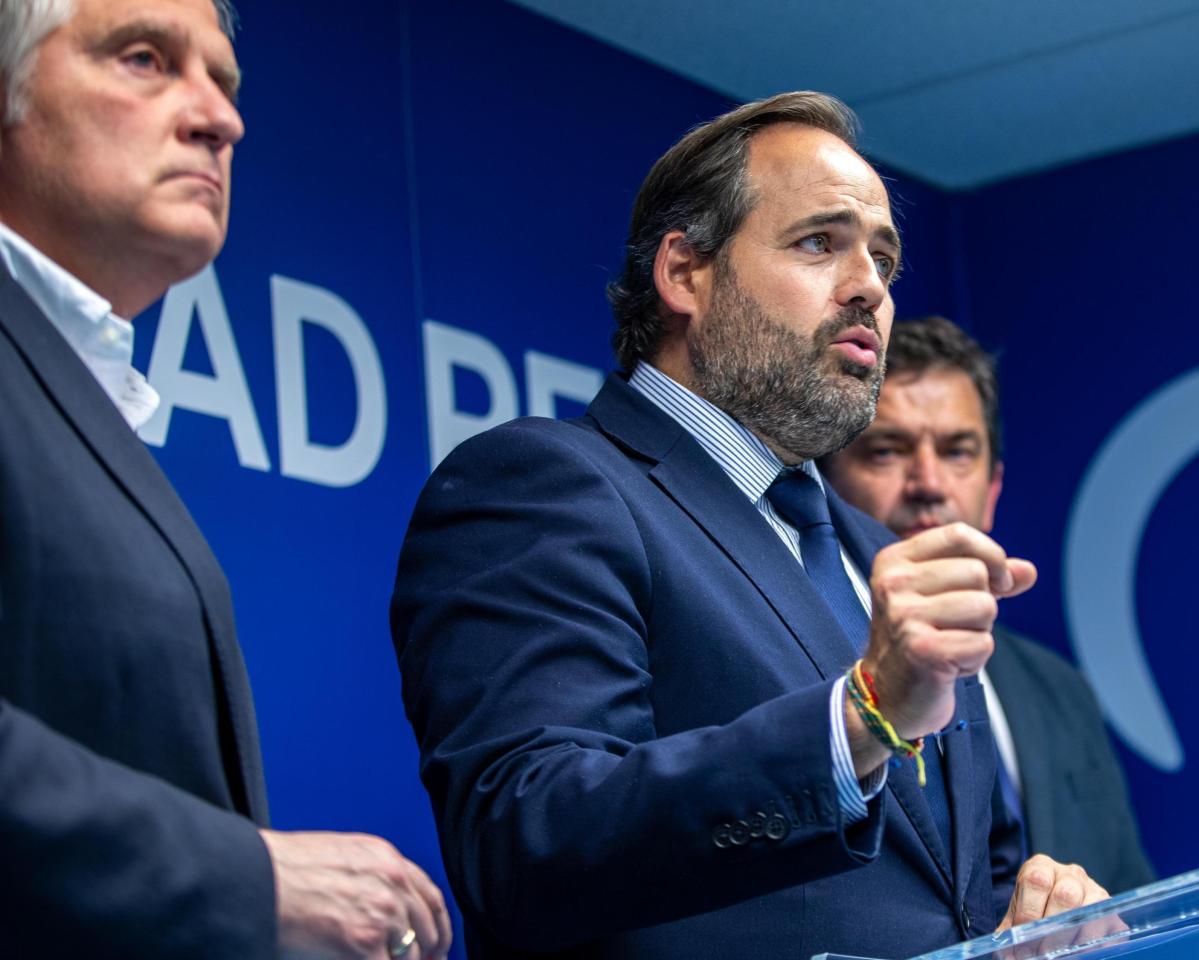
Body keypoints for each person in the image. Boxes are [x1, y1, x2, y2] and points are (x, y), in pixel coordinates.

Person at [391, 91, 1109, 959]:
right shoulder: (545, 485)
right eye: (820, 244)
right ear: (684, 273)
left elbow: (958, 894)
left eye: (883, 258)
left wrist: (1033, 921)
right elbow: (526, 837)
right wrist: (861, 717)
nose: (870, 289)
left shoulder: (880, 560)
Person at [0, 1, 450, 957]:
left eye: (224, 81)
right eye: (144, 59)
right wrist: (247, 878)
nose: (221, 118)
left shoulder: (82, 391)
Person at [821, 316, 1156, 893]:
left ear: (992, 489)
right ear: (825, 482)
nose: (928, 482)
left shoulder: (1058, 690)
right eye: (886, 450)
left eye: (957, 452)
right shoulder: (801, 672)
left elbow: (1132, 898)